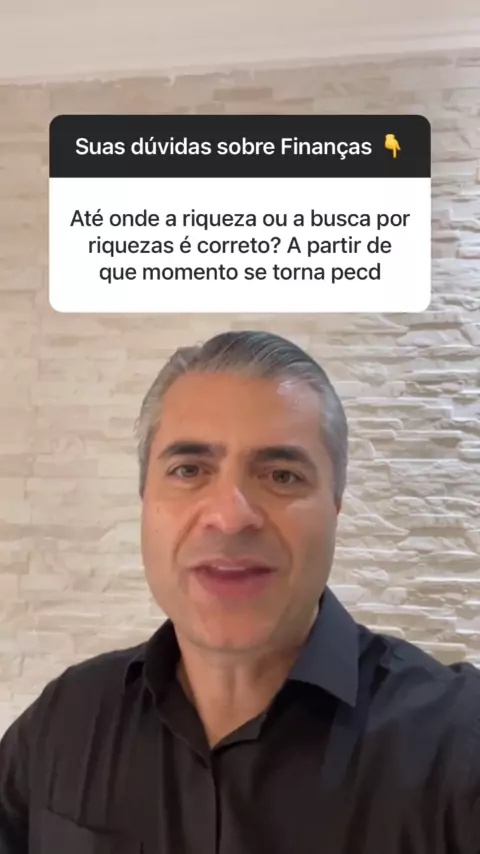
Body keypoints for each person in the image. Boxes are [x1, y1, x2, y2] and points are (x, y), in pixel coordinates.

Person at [0, 329, 479, 854]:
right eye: (189, 470)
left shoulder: (459, 744)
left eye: (282, 475)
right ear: (144, 501)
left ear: (335, 509)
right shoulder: (63, 722)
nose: (230, 518)